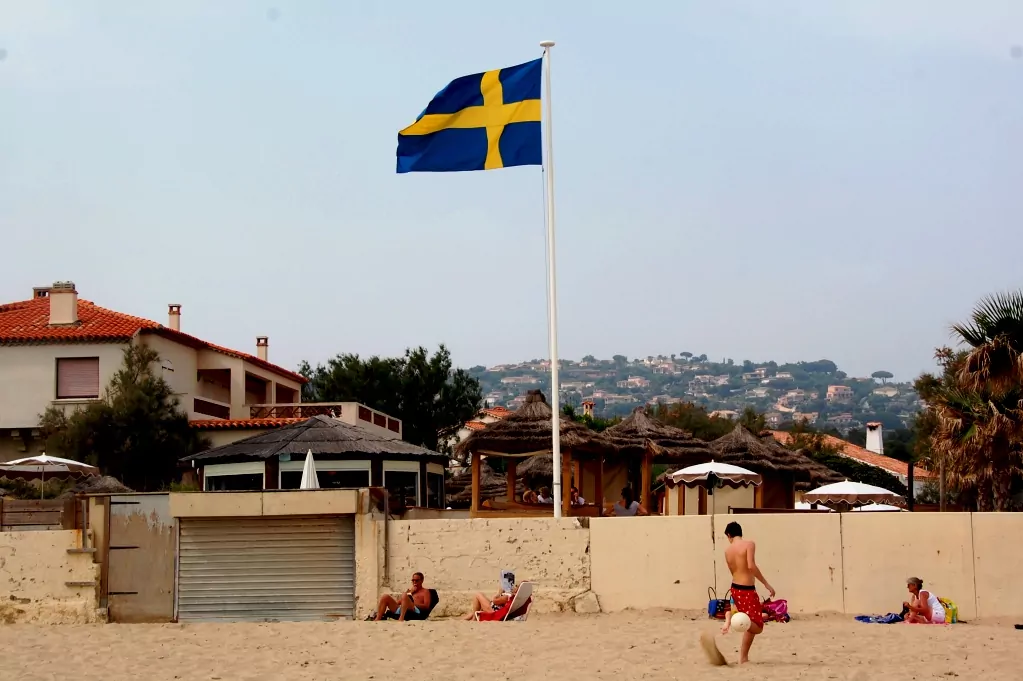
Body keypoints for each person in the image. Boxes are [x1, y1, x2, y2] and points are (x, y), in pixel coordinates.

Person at [721, 521, 775, 664]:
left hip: (735, 588)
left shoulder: (727, 551)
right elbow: (751, 566)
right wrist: (766, 583)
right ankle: (734, 620)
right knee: (757, 626)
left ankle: (743, 657)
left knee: (749, 623)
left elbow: (733, 570)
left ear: (729, 535)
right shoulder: (749, 544)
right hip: (747, 590)